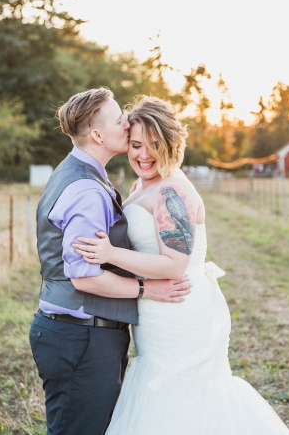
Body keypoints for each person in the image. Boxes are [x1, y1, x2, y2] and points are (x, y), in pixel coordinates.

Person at [73, 96, 289, 435]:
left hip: (180, 307)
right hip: (155, 311)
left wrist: (109, 255)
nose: (143, 155)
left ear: (171, 143)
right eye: (135, 145)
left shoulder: (172, 190)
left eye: (154, 145)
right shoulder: (141, 184)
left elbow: (175, 264)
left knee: (185, 394)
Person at [29, 87, 193, 435]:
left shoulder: (79, 173)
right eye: (120, 119)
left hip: (80, 332)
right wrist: (146, 289)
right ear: (98, 134)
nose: (127, 122)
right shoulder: (88, 190)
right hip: (82, 337)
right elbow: (85, 278)